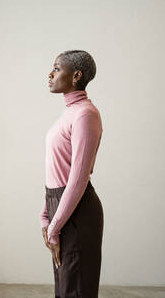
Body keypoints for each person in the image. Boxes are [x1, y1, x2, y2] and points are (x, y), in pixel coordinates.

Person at [40, 50, 104, 298]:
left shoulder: (86, 114)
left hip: (77, 212)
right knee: (65, 288)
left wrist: (55, 227)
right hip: (61, 206)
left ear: (76, 76)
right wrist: (46, 210)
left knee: (75, 291)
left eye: (57, 68)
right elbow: (58, 169)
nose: (50, 73)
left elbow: (78, 179)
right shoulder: (70, 113)